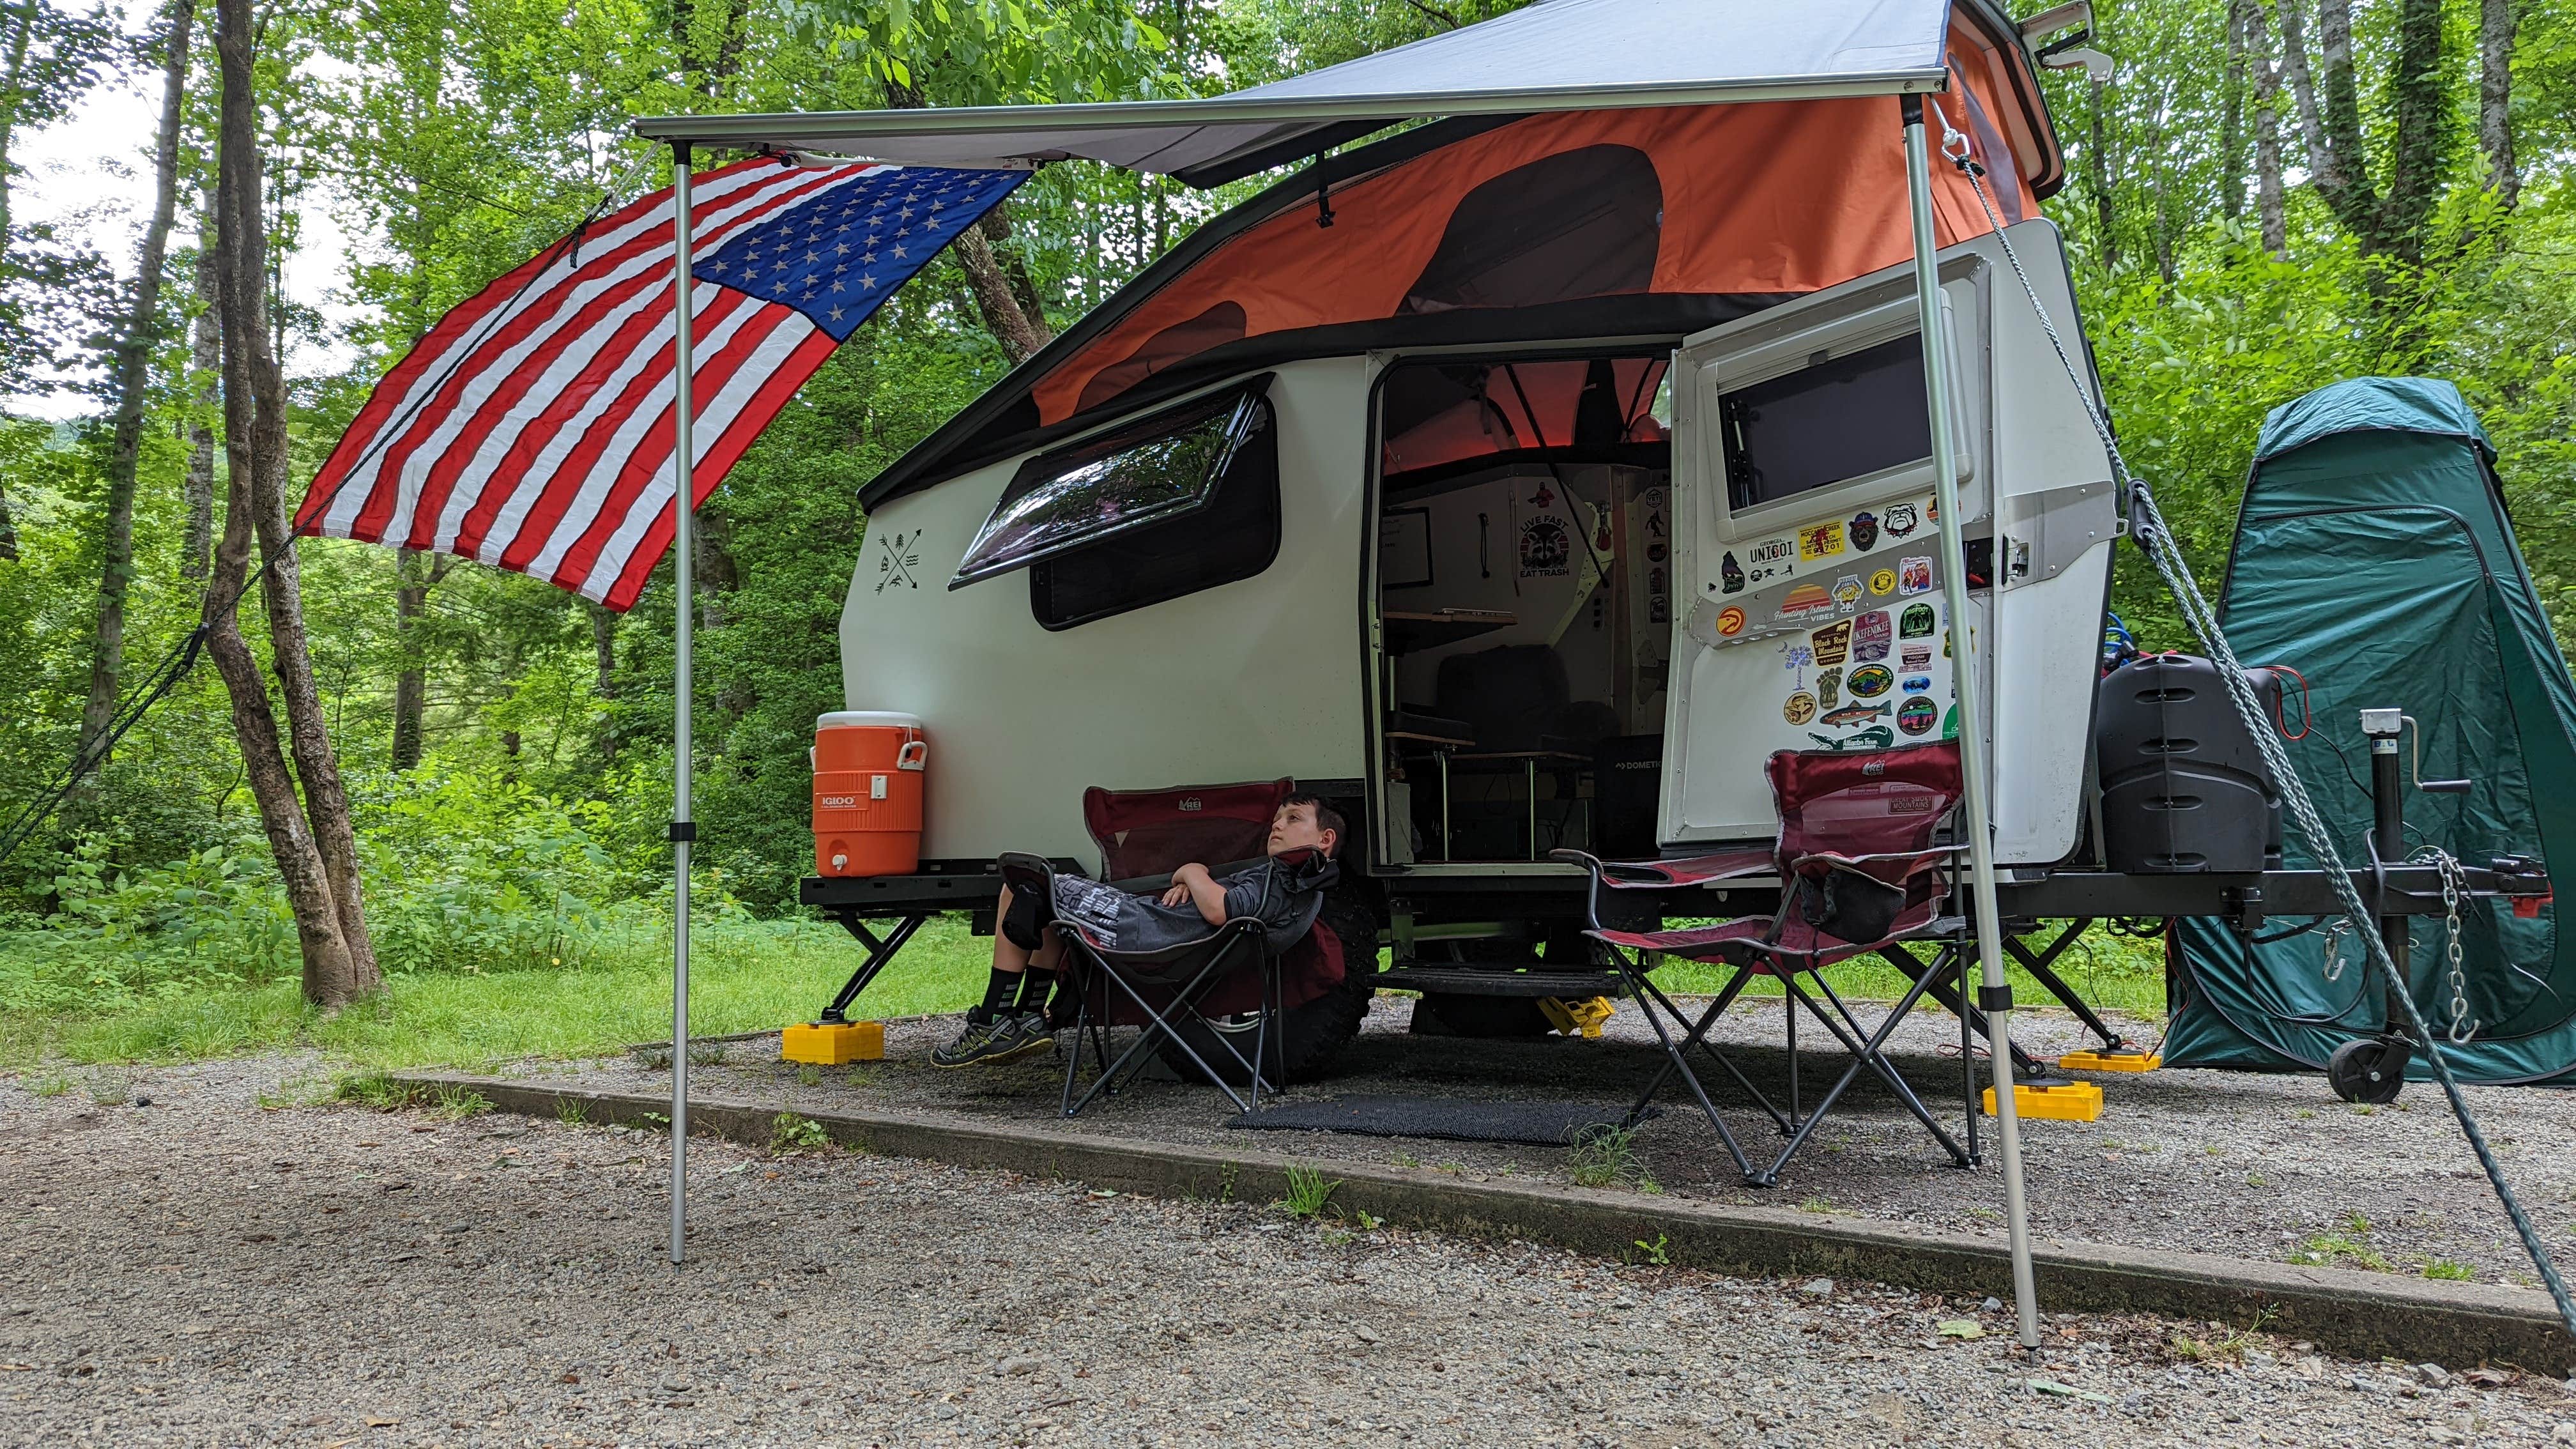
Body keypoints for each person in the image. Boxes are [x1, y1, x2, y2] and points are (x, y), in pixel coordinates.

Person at [933, 794, 1344, 1068]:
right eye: (1276, 819)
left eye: (1293, 819)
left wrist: (1192, 872)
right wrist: (1198, 888)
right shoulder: (1300, 885)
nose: (1277, 826)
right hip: (1161, 933)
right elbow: (1226, 906)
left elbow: (1221, 910)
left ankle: (993, 1019)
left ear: (1325, 838)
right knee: (1049, 903)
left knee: (1022, 882)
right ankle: (1027, 1018)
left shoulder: (1281, 879)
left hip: (1143, 933)